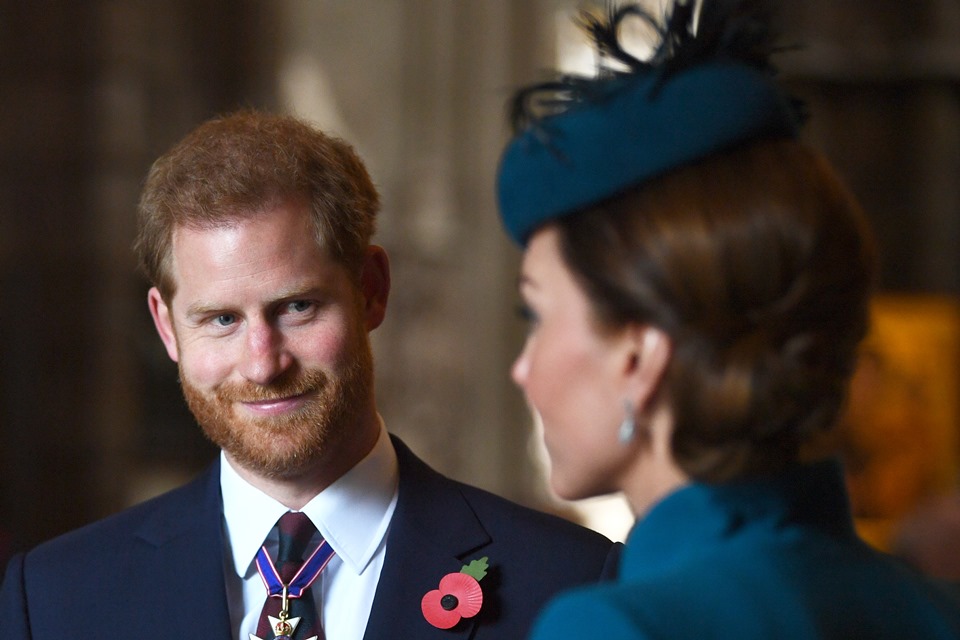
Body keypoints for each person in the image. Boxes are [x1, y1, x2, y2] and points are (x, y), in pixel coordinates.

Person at [0, 110, 619, 639]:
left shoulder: (571, 587)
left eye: (297, 307)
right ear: (166, 328)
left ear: (372, 290)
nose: (263, 363)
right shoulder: (53, 601)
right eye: (219, 319)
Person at [495, 1, 960, 638]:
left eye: (536, 314)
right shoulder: (936, 609)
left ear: (639, 355)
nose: (522, 370)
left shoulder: (616, 626)